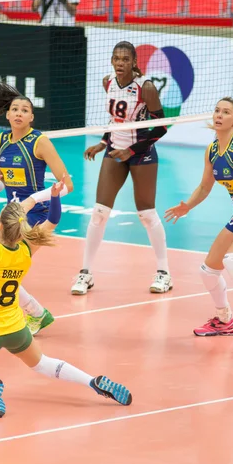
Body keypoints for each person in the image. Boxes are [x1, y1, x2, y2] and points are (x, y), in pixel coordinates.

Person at [0, 165, 132, 417]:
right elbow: (52, 221)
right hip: (16, 329)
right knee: (42, 364)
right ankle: (92, 382)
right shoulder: (26, 250)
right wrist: (53, 197)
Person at [0, 79, 73, 341]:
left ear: (31, 116)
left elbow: (67, 186)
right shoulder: (2, 140)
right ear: (8, 114)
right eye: (15, 109)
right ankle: (33, 313)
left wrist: (32, 200)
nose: (19, 113)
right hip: (12, 215)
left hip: (36, 215)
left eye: (24, 109)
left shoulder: (40, 141)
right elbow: (2, 181)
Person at [71, 41, 172, 295]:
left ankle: (164, 273)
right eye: (116, 58)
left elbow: (161, 126)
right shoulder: (108, 82)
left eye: (125, 59)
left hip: (141, 153)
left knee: (146, 213)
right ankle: (85, 273)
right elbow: (115, 120)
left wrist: (132, 150)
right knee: (99, 212)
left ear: (134, 62)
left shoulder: (145, 88)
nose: (119, 63)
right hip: (114, 150)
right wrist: (103, 142)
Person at [165, 97, 233, 338]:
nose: (219, 115)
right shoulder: (212, 150)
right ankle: (224, 320)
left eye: (225, 112)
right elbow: (204, 187)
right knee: (209, 270)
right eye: (216, 111)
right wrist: (188, 206)